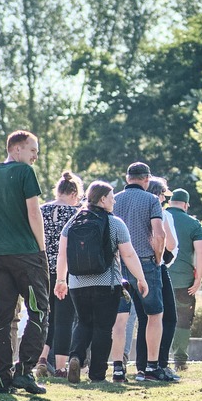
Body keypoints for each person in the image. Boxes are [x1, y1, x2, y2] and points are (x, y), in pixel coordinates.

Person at [56, 181, 149, 384]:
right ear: (103, 199)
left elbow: (62, 254)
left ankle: (75, 357)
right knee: (102, 328)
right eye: (112, 196)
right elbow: (129, 255)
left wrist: (61, 279)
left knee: (83, 322)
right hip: (107, 284)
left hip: (77, 284)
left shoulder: (73, 222)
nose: (114, 200)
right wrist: (141, 278)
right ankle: (97, 374)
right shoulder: (114, 223)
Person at [0, 130, 49, 396]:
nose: (35, 157)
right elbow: (34, 212)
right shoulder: (24, 172)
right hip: (26, 254)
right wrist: (41, 249)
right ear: (16, 149)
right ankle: (25, 372)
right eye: (33, 150)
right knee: (39, 311)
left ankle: (3, 377)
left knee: (2, 317)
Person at [113, 162, 170, 385]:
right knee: (154, 315)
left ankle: (118, 368)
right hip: (144, 262)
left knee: (120, 318)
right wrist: (158, 258)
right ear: (146, 179)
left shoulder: (114, 199)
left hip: (118, 265)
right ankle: (151, 366)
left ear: (127, 178)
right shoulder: (151, 200)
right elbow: (159, 234)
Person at [38, 170, 83, 379]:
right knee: (64, 319)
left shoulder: (41, 210)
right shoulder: (77, 213)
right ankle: (61, 366)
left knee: (44, 317)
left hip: (42, 270)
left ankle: (42, 357)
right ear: (75, 193)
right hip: (66, 272)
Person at [166, 188, 202, 371]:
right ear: (185, 205)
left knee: (157, 319)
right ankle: (180, 359)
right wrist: (199, 278)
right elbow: (201, 252)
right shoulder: (193, 223)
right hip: (184, 281)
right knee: (183, 319)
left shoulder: (159, 218)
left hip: (160, 278)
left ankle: (156, 358)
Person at [148, 177, 180, 379]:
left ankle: (142, 364)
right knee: (168, 317)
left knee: (143, 319)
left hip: (133, 265)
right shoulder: (163, 214)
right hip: (157, 265)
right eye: (163, 195)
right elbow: (171, 243)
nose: (165, 199)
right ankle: (160, 362)